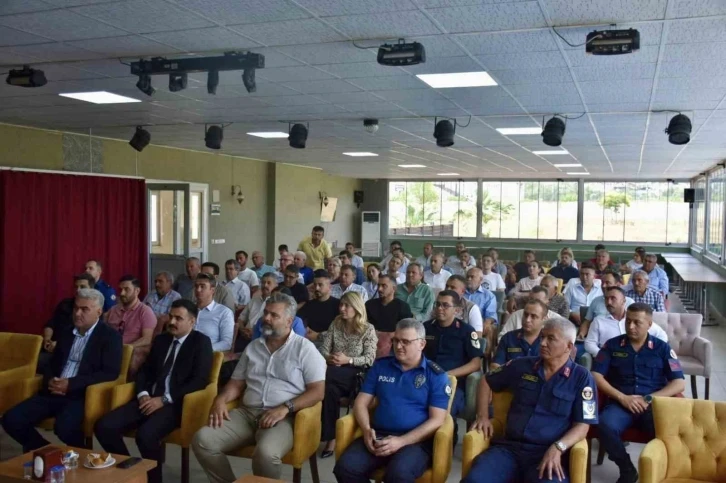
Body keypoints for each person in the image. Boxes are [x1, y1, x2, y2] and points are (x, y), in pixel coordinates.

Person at [192, 293, 326, 482]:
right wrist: (221, 399)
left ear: (289, 321)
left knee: (266, 453)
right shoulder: (253, 347)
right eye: (266, 313)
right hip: (247, 413)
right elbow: (236, 383)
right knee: (202, 440)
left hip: (282, 417)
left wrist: (285, 408)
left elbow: (318, 391)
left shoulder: (305, 349)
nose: (266, 318)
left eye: (274, 315)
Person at [94, 299, 213, 483]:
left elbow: (199, 381)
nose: (171, 322)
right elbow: (145, 371)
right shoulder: (162, 340)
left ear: (192, 321)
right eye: (171, 317)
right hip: (148, 398)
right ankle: (131, 469)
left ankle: (154, 480)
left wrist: (164, 400)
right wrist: (142, 394)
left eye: (178, 318)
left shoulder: (201, 342)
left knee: (145, 435)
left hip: (175, 404)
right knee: (104, 426)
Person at [466, 318, 597, 483]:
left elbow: (583, 425)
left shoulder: (582, 378)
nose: (542, 343)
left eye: (551, 338)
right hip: (509, 449)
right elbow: (486, 379)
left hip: (546, 453)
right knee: (475, 480)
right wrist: (482, 416)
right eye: (542, 337)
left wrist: (558, 447)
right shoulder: (523, 365)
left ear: (569, 346)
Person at [2, 289, 122, 452]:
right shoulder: (66, 332)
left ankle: (81, 453)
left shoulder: (110, 337)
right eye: (76, 308)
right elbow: (52, 364)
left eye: (84, 309)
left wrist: (71, 384)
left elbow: (110, 372)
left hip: (80, 394)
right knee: (11, 419)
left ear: (98, 312)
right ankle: (47, 451)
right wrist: (50, 380)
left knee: (65, 427)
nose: (77, 313)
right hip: (53, 391)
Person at [333, 319, 451, 483]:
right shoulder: (381, 366)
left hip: (416, 441)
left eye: (405, 342)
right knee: (345, 468)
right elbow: (360, 403)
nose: (398, 346)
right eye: (396, 340)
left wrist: (402, 441)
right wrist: (366, 430)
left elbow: (437, 419)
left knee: (398, 475)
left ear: (421, 344)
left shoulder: (436, 375)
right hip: (379, 435)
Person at [592, 303, 685, 483]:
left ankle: (660, 473)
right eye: (628, 321)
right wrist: (622, 398)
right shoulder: (612, 345)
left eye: (637, 322)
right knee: (604, 425)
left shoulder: (662, 348)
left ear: (649, 324)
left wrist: (648, 398)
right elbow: (596, 375)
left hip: (652, 405)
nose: (631, 326)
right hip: (621, 403)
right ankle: (627, 469)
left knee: (668, 431)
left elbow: (679, 383)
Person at [320, 292, 378, 458]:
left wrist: (348, 360)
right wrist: (329, 357)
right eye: (341, 304)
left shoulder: (368, 329)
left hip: (356, 373)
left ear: (357, 308)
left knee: (325, 378)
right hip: (334, 371)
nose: (342, 308)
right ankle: (331, 438)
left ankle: (330, 437)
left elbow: (369, 359)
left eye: (347, 305)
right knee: (329, 389)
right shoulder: (336, 323)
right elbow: (323, 348)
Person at [423, 291, 483, 440]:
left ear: (456, 310)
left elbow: (476, 363)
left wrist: (447, 374)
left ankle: (448, 442)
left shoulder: (466, 331)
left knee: (445, 414)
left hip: (452, 383)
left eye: (445, 305)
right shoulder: (425, 328)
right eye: (438, 304)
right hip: (425, 379)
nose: (440, 308)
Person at [585, 288, 668, 358]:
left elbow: (662, 335)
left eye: (613, 298)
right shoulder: (598, 321)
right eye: (606, 299)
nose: (608, 302)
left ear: (623, 301)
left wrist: (650, 353)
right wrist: (604, 355)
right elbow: (589, 343)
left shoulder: (636, 319)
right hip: (611, 361)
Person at [41, 273, 96, 372]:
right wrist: (47, 339)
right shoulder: (65, 303)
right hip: (51, 347)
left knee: (41, 362)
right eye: (76, 287)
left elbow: (85, 336)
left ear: (91, 289)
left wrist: (59, 344)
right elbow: (51, 323)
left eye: (82, 287)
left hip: (72, 352)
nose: (78, 290)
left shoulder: (94, 309)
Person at [366, 274, 413, 358]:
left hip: (394, 344)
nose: (379, 289)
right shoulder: (369, 304)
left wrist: (387, 336)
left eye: (384, 286)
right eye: (378, 285)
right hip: (370, 341)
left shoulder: (403, 307)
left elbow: (406, 330)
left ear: (394, 288)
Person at [492, 299, 548, 370]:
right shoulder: (508, 338)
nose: (527, 320)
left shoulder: (549, 342)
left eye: (533, 316)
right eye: (525, 315)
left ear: (544, 319)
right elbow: (495, 365)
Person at [106, 275, 156, 348]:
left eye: (127, 289)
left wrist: (127, 348)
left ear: (137, 291)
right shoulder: (113, 310)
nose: (122, 293)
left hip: (128, 350)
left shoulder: (145, 311)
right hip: (109, 348)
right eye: (120, 289)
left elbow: (147, 339)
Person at [498, 286, 567, 340]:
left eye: (538, 301)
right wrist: (515, 348)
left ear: (547, 302)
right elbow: (501, 337)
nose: (534, 303)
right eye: (531, 300)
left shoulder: (556, 319)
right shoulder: (517, 315)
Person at [581, 271, 634, 339]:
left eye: (607, 283)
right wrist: (581, 334)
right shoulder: (596, 301)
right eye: (602, 282)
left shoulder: (629, 302)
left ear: (617, 285)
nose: (603, 286)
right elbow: (587, 322)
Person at [194, 273, 235, 352]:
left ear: (212, 290)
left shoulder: (224, 312)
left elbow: (226, 343)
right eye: (196, 286)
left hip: (208, 354)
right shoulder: (188, 310)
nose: (198, 290)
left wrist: (203, 350)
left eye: (202, 286)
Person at [298, 269, 340, 344]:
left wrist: (318, 335)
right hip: (309, 341)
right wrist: (304, 328)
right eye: (315, 285)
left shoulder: (338, 305)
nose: (316, 288)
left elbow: (340, 331)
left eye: (320, 285)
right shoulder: (309, 304)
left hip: (330, 343)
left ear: (329, 287)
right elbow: (299, 320)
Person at [563, 261, 603, 326]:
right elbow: (564, 307)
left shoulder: (600, 290)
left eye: (587, 274)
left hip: (595, 322)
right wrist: (572, 313)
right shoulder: (572, 289)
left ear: (594, 276)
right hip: (574, 321)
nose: (584, 277)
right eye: (582, 274)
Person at [464, 268, 498, 335]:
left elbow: (491, 315)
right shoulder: (460, 292)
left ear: (481, 280)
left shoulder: (488, 296)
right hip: (460, 322)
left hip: (478, 324)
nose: (469, 279)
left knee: (489, 328)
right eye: (467, 277)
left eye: (472, 277)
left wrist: (486, 323)